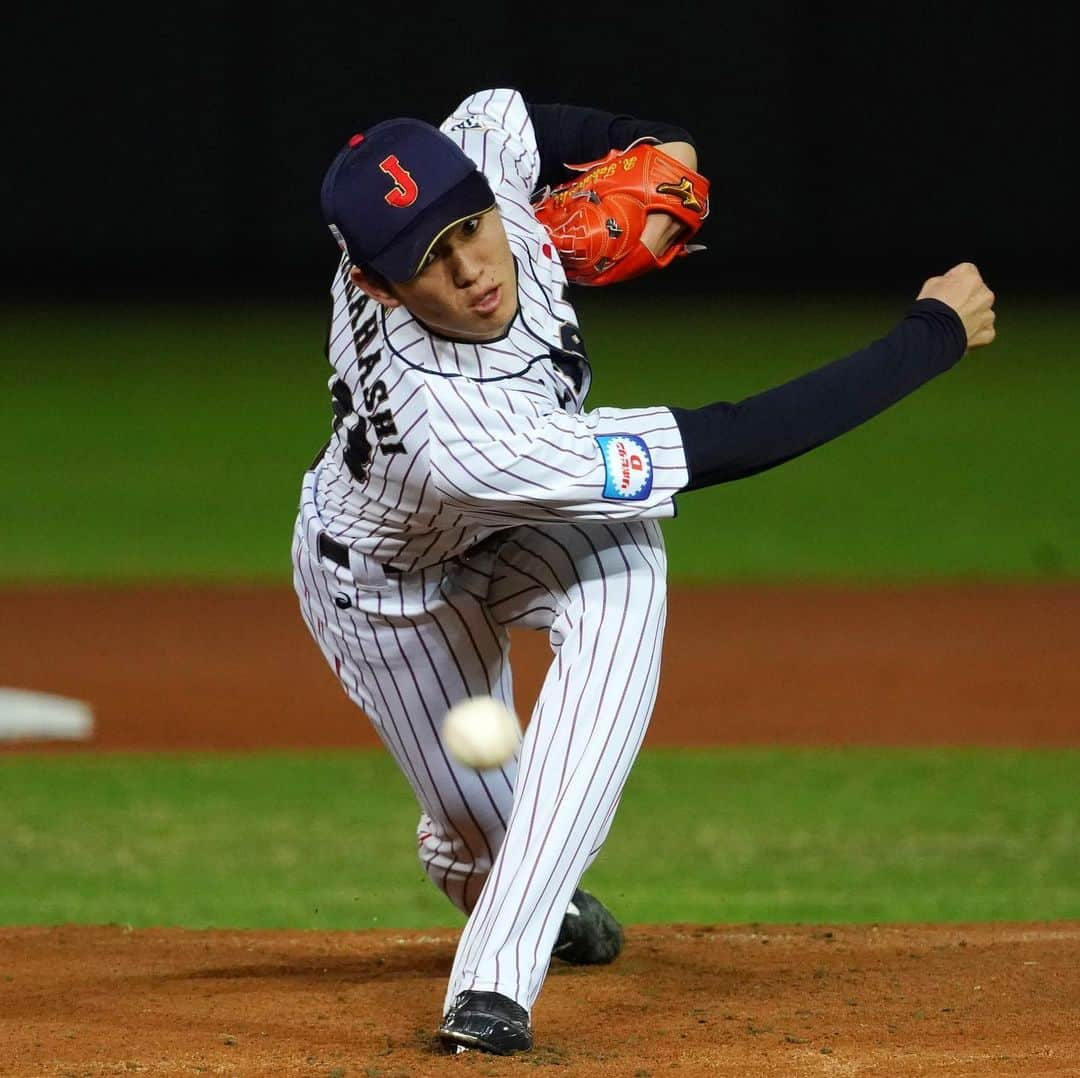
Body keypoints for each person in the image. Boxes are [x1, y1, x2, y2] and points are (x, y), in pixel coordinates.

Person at [291, 86, 996, 1056]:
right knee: (474, 834)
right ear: (373, 283)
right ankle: (488, 868)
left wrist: (656, 151)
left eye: (472, 227)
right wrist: (930, 336)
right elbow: (730, 440)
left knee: (627, 565)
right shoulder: (460, 432)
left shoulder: (469, 170)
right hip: (387, 585)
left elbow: (518, 118)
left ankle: (491, 985)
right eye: (428, 259)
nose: (471, 268)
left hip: (520, 532)